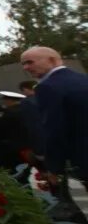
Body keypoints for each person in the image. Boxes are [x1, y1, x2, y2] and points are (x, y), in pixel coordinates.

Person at [20, 46, 88, 183]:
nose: (25, 68)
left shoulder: (47, 87)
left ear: (51, 60)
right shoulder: (82, 79)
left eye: (30, 62)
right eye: (23, 64)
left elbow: (54, 130)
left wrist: (54, 168)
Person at [0, 91, 31, 171]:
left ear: (10, 101)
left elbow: (1, 128)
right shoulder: (26, 109)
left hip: (14, 144)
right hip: (28, 142)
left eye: (5, 100)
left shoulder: (9, 112)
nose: (4, 103)